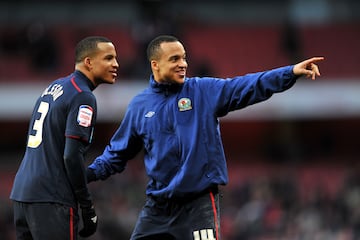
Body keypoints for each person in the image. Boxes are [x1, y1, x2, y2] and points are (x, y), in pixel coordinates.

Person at [86, 35, 324, 240]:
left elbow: (247, 86)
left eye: (184, 57)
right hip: (158, 207)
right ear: (155, 64)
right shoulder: (139, 106)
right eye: (175, 59)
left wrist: (290, 73)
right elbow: (116, 154)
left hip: (198, 205)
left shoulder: (202, 91)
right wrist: (86, 173)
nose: (183, 64)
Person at [10, 36, 119, 239]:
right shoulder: (83, 96)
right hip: (52, 197)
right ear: (88, 62)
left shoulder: (53, 88)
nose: (116, 64)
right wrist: (87, 205)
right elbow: (71, 156)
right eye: (108, 58)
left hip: (22, 195)